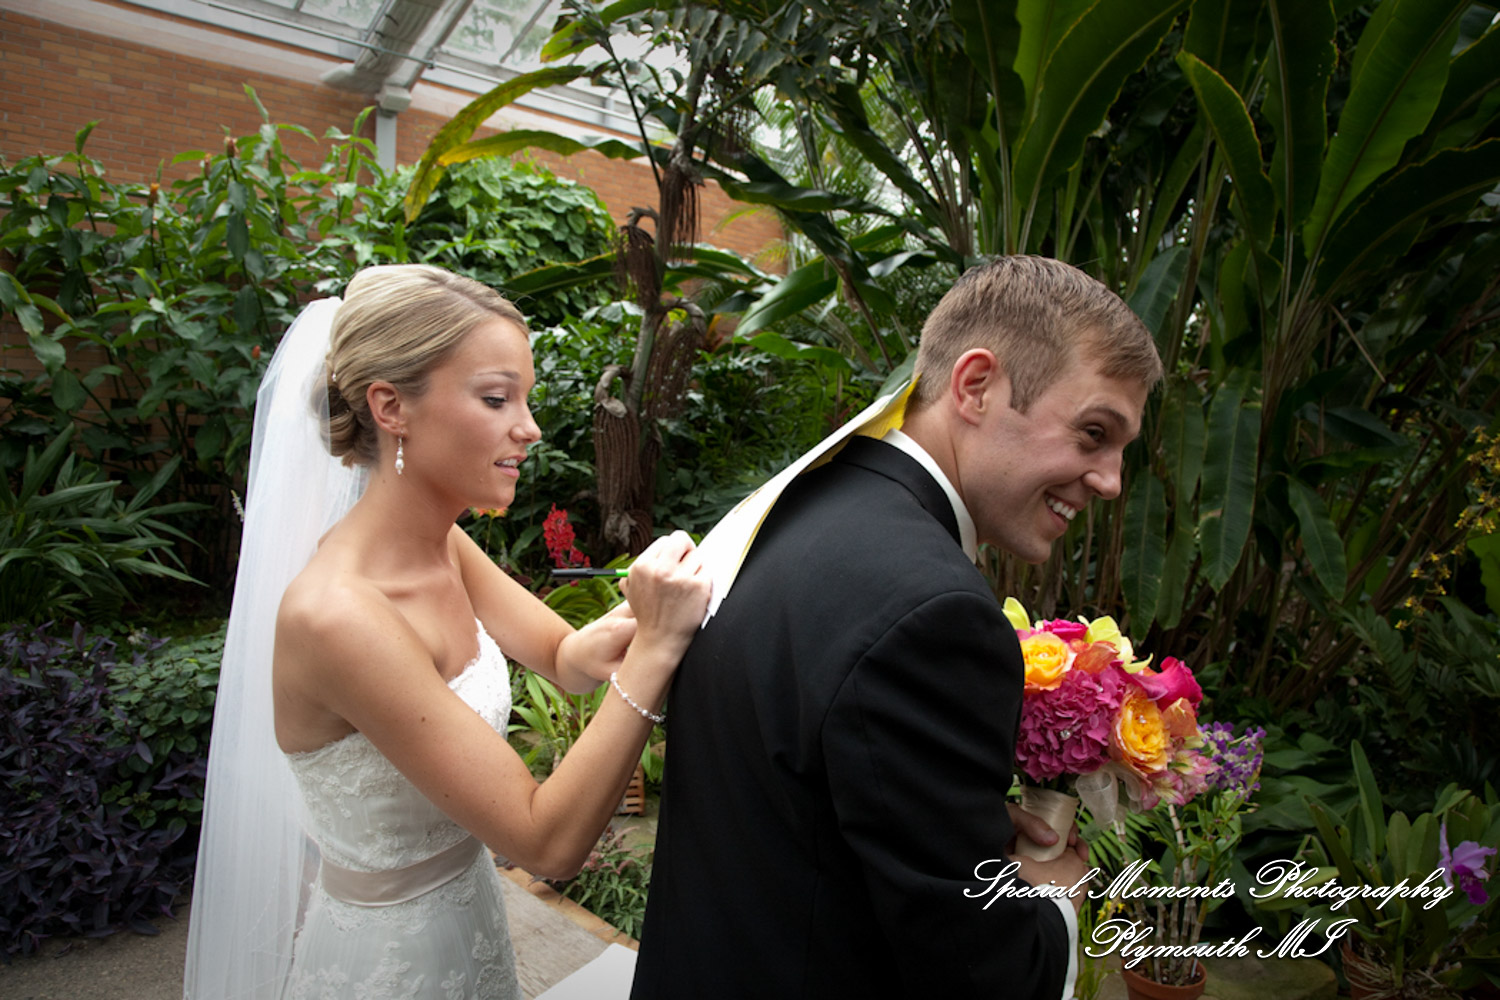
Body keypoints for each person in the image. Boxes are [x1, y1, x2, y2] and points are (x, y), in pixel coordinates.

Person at [630, 256, 1163, 999]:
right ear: (976, 386)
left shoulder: (802, 507)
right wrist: (1052, 897)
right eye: (1093, 433)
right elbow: (979, 973)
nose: (1109, 480)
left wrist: (951, 820)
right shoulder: (935, 615)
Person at [183, 264, 709, 1000]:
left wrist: (645, 608)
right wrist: (655, 651)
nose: (528, 426)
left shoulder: (445, 544)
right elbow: (544, 841)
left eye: (525, 399)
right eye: (497, 398)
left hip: (471, 928)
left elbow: (565, 656)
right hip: (390, 966)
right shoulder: (338, 615)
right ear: (391, 406)